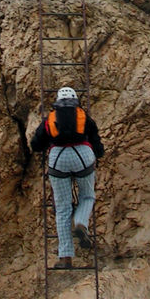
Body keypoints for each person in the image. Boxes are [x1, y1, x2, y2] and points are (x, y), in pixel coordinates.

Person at [30, 86, 104, 269]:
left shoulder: (50, 120)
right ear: (75, 102)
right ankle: (80, 222)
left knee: (62, 208)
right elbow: (96, 142)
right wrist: (98, 155)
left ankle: (65, 257)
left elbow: (36, 144)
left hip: (59, 159)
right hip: (82, 156)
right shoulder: (84, 117)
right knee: (87, 195)